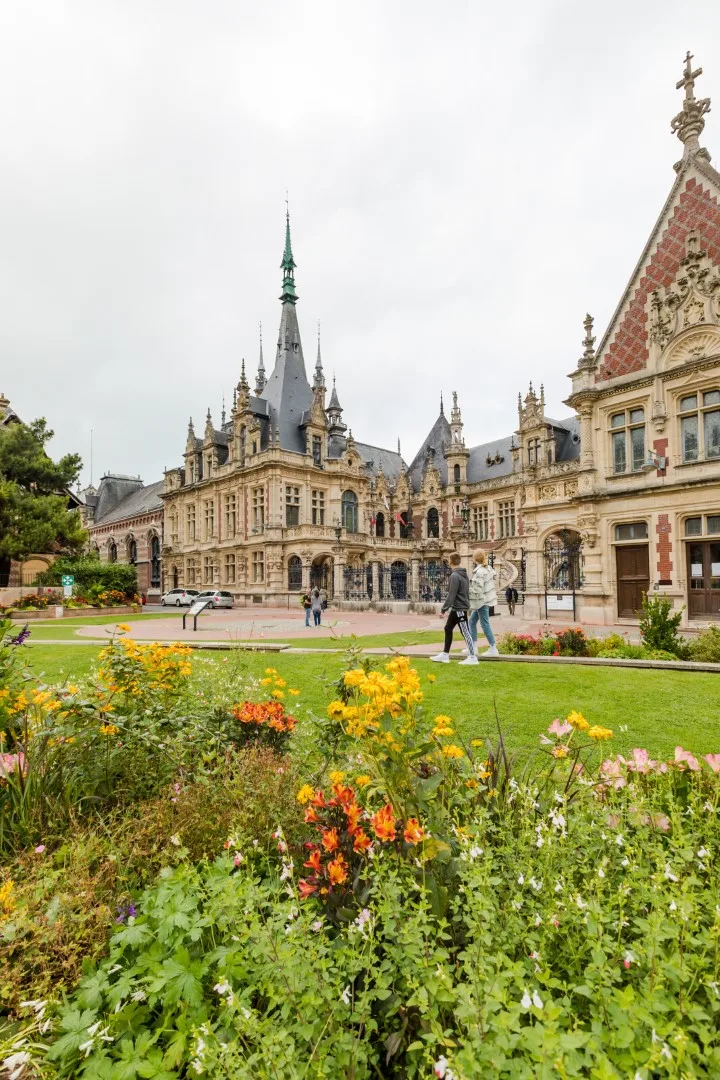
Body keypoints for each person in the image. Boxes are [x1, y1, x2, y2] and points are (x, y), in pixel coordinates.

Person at [430, 552, 477, 665]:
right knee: (448, 628)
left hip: (459, 608)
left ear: (450, 561)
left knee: (465, 632)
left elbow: (451, 595)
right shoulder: (464, 574)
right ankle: (445, 655)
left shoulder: (455, 576)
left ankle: (472, 657)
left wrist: (443, 610)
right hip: (457, 608)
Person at [468, 550, 500, 657]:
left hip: (481, 601)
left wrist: (468, 593)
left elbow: (477, 588)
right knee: (472, 622)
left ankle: (493, 648)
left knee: (484, 624)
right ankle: (474, 647)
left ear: (475, 558)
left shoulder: (480, 571)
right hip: (483, 600)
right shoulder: (487, 569)